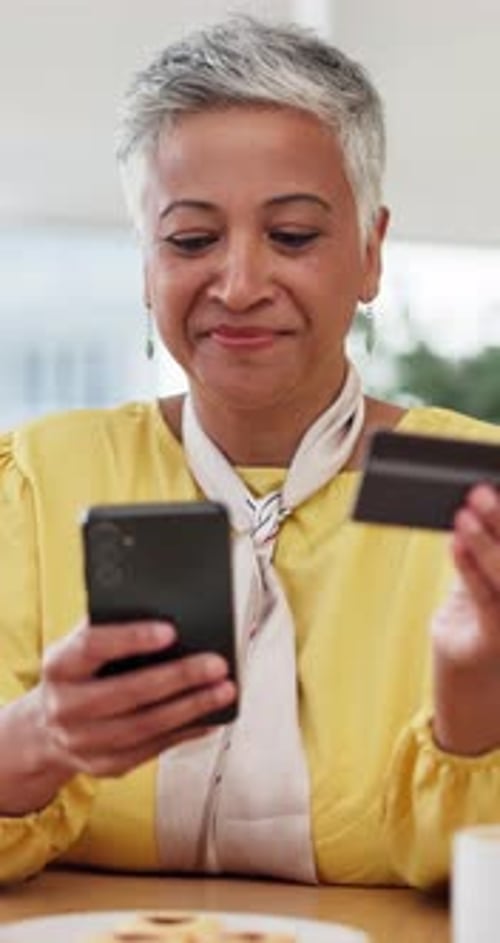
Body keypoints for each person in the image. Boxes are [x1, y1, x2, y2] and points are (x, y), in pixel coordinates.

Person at [0, 15, 499, 890]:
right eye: (191, 240)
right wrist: (40, 737)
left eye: (294, 236)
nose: (238, 284)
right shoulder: (37, 483)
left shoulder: (474, 498)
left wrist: (475, 699)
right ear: (144, 263)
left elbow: (476, 884)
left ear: (372, 251)